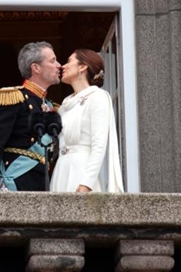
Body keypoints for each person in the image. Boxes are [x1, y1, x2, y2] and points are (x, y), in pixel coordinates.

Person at [0, 42, 61, 191]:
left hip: (43, 183)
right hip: (15, 181)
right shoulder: (13, 98)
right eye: (52, 60)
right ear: (36, 68)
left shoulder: (51, 106)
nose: (59, 65)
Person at [49, 49, 124, 193]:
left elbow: (99, 145)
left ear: (83, 67)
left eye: (69, 61)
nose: (63, 66)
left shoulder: (97, 96)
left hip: (81, 171)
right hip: (61, 170)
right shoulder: (65, 104)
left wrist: (86, 183)